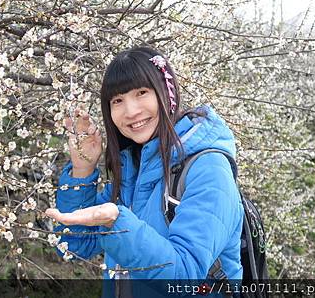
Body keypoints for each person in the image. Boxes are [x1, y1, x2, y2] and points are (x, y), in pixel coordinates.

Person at [45, 46, 244, 297]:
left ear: (167, 94)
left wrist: (117, 223)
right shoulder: (131, 172)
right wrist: (82, 168)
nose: (131, 111)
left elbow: (185, 277)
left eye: (141, 93)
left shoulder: (208, 169)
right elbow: (72, 246)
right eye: (118, 100)